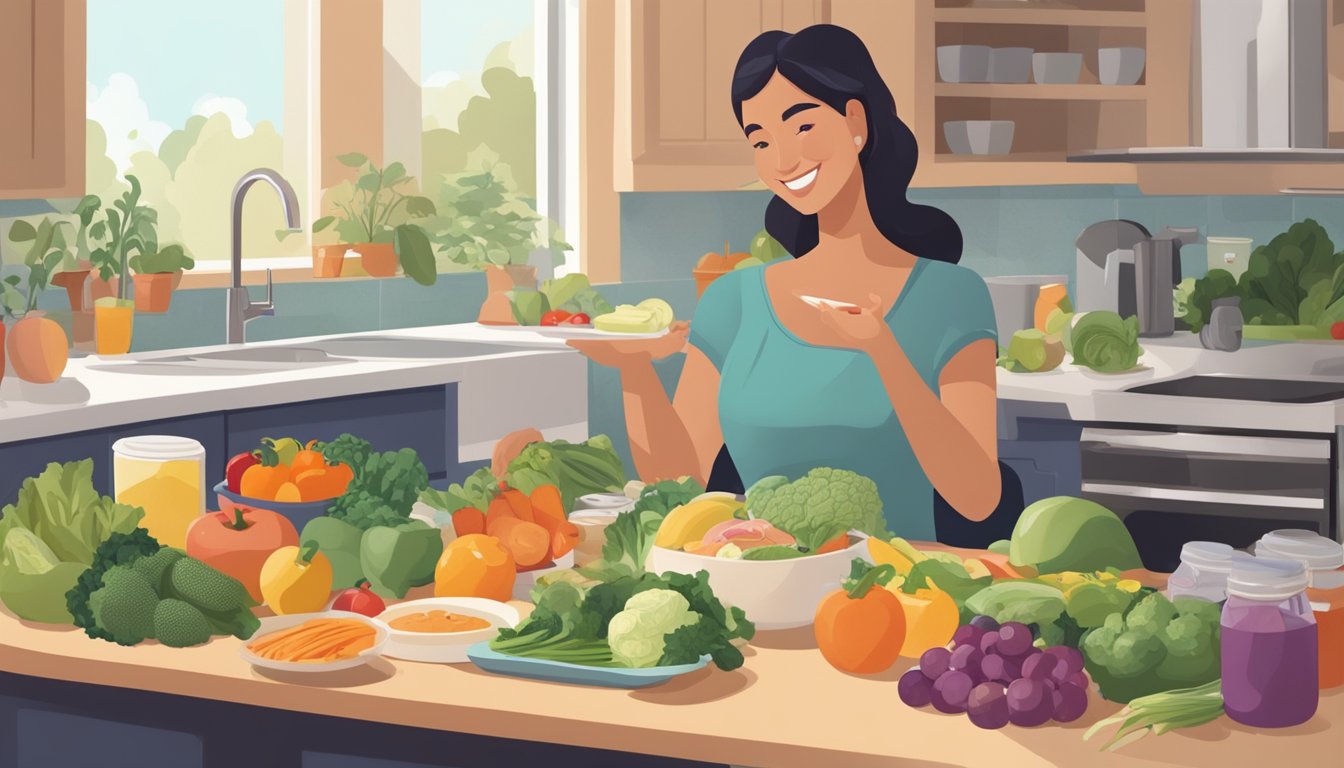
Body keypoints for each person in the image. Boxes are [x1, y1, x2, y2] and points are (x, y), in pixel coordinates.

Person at [570, 24, 1001, 541]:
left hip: (895, 597)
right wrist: (635, 373)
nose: (783, 160)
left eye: (801, 126)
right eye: (761, 140)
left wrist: (885, 353)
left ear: (855, 122)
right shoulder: (733, 301)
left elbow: (977, 498)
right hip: (759, 585)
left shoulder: (950, 297)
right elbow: (680, 482)